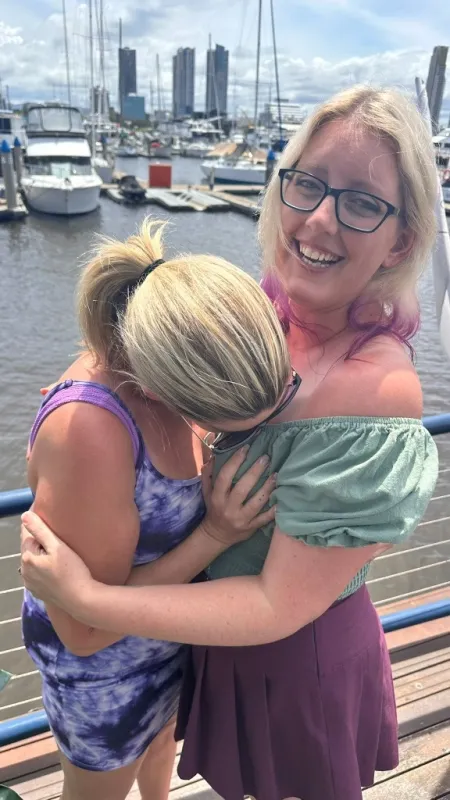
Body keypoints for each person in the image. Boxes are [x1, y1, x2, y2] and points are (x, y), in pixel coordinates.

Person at [21, 85, 440, 800]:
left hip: (294, 662)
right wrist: (94, 396)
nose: (320, 218)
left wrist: (86, 596)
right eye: (307, 183)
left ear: (400, 240)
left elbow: (278, 604)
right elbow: (154, 360)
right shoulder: (268, 313)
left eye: (361, 202)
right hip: (205, 642)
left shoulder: (375, 389)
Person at [21, 218, 294, 800]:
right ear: (161, 388)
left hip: (173, 638)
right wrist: (214, 535)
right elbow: (83, 631)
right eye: (223, 427)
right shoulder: (92, 433)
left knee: (159, 759)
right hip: (107, 675)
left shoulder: (170, 362)